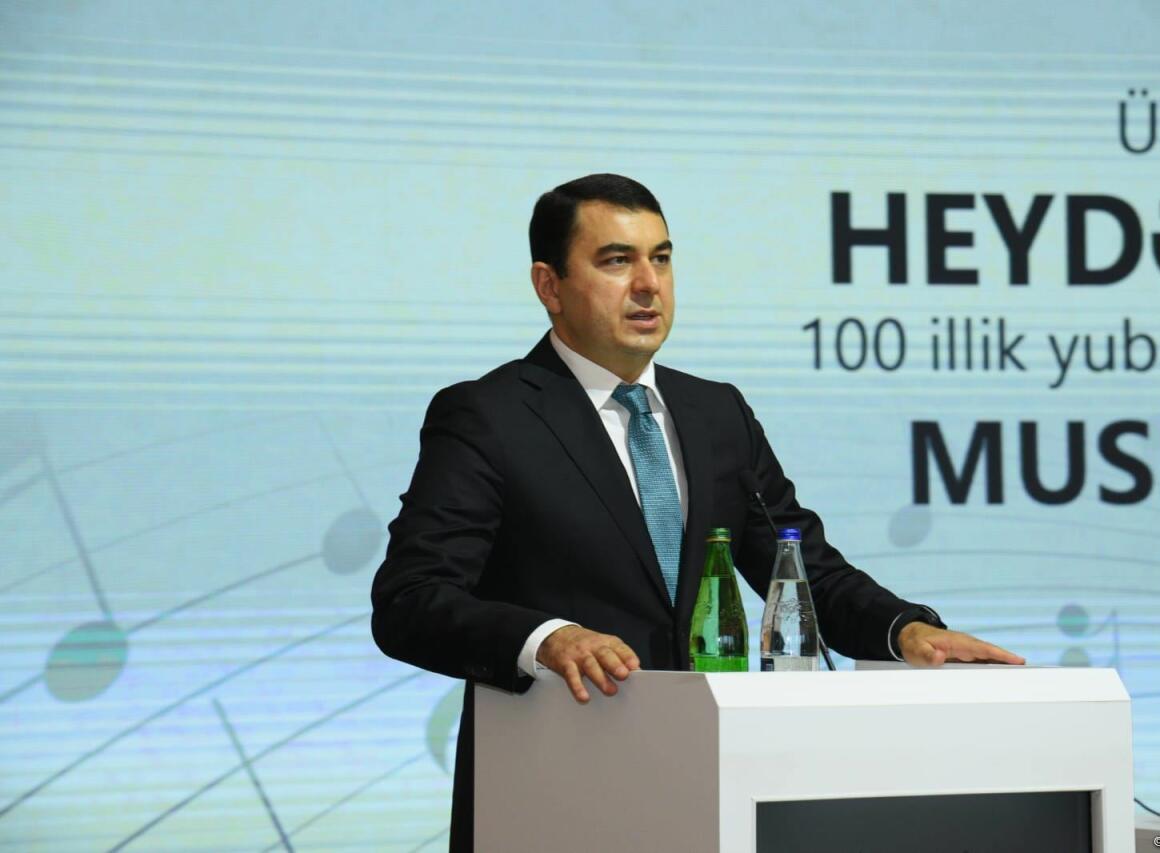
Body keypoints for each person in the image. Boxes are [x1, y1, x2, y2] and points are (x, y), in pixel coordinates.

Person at [370, 174, 1023, 853]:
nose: (648, 284)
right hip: (553, 789)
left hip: (707, 788)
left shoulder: (716, 413)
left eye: (661, 258)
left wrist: (906, 630)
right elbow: (410, 600)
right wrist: (548, 640)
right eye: (616, 261)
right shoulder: (490, 416)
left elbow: (803, 571)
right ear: (549, 286)